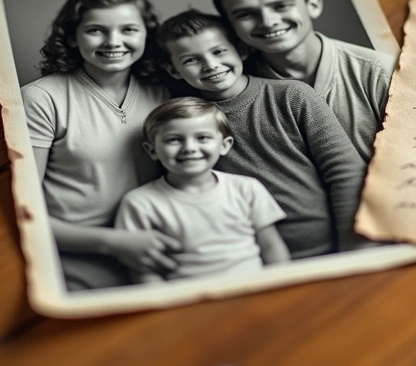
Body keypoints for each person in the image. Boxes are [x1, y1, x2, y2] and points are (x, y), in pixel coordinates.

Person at [155, 10, 370, 258]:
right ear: (173, 70)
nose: (210, 65)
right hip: (246, 258)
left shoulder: (292, 95)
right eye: (191, 60)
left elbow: (346, 172)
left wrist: (351, 246)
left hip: (331, 246)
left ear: (241, 50)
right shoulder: (181, 122)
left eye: (219, 51)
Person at [21, 0, 178, 290]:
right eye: (96, 30)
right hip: (76, 253)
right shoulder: (41, 98)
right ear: (71, 36)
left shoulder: (163, 91)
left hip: (154, 245)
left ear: (146, 34)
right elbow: (24, 208)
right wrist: (114, 242)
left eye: (129, 29)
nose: (113, 42)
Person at [212, 0, 396, 162]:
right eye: (246, 14)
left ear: (313, 5)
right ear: (230, 26)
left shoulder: (381, 72)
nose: (267, 21)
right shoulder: (232, 91)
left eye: (281, 6)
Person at [114, 97, 290, 282]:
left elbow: (271, 247)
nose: (189, 148)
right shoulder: (140, 203)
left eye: (202, 138)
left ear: (224, 145)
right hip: (186, 304)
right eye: (174, 140)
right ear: (152, 151)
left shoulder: (247, 189)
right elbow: (144, 271)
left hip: (254, 295)